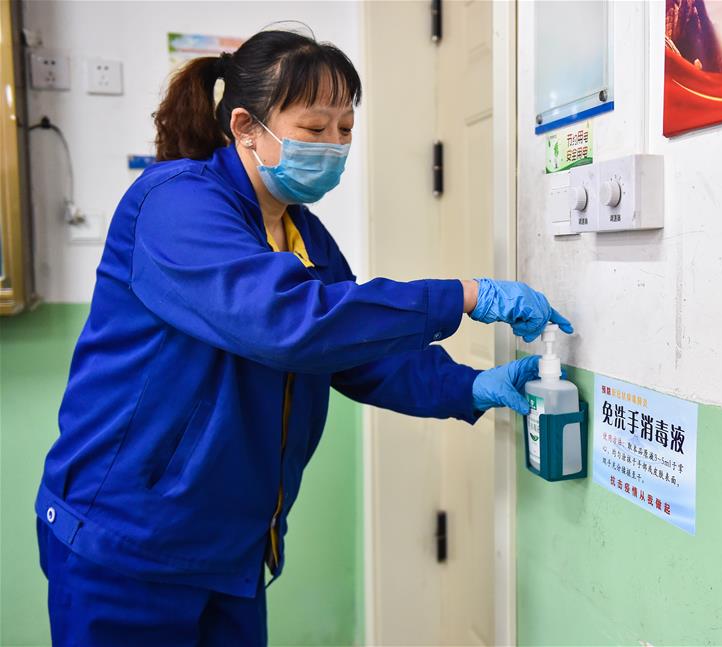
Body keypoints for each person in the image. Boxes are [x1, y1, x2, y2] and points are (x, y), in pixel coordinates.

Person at [34, 29, 572, 646]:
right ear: (245, 126)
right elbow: (290, 323)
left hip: (231, 552)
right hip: (124, 547)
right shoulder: (173, 204)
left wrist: (471, 386)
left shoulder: (303, 234)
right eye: (315, 128)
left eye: (345, 129)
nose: (335, 146)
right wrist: (465, 295)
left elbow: (358, 354)